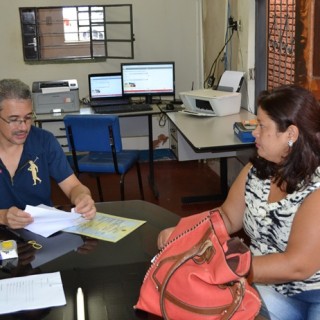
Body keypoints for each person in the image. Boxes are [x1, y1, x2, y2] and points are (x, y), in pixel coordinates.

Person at [158, 84, 320, 320]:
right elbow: (226, 217)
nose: (254, 132)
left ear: (291, 135)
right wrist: (183, 233)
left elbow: (297, 265)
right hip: (267, 285)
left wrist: (225, 266)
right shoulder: (257, 170)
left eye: (262, 126)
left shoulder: (316, 187)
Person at [0, 79, 96, 229]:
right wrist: (4, 216)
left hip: (40, 230)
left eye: (28, 118)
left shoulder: (44, 141)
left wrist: (82, 197)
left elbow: (73, 187)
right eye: (14, 120)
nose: (24, 127)